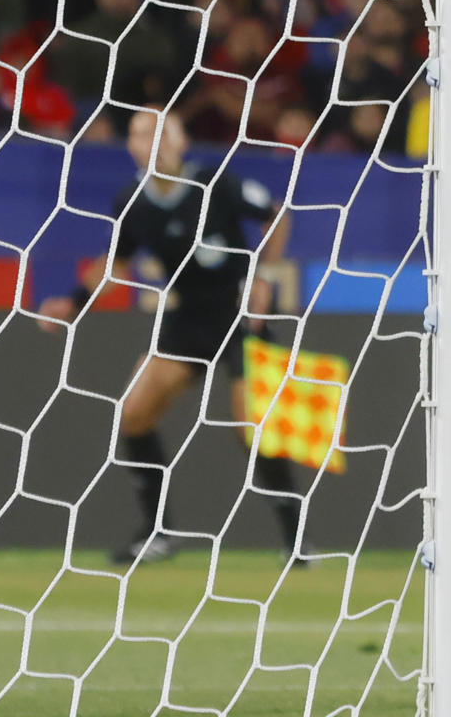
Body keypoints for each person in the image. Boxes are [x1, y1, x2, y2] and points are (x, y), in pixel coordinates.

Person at [39, 109, 299, 565]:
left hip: (240, 315)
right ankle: (158, 533)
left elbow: (276, 216)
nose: (153, 141)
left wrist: (263, 276)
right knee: (133, 414)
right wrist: (74, 303)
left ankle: (297, 541)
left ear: (182, 141)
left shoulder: (216, 182)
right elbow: (114, 266)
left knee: (252, 429)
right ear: (131, 147)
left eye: (163, 132)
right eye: (141, 133)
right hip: (186, 318)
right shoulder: (132, 200)